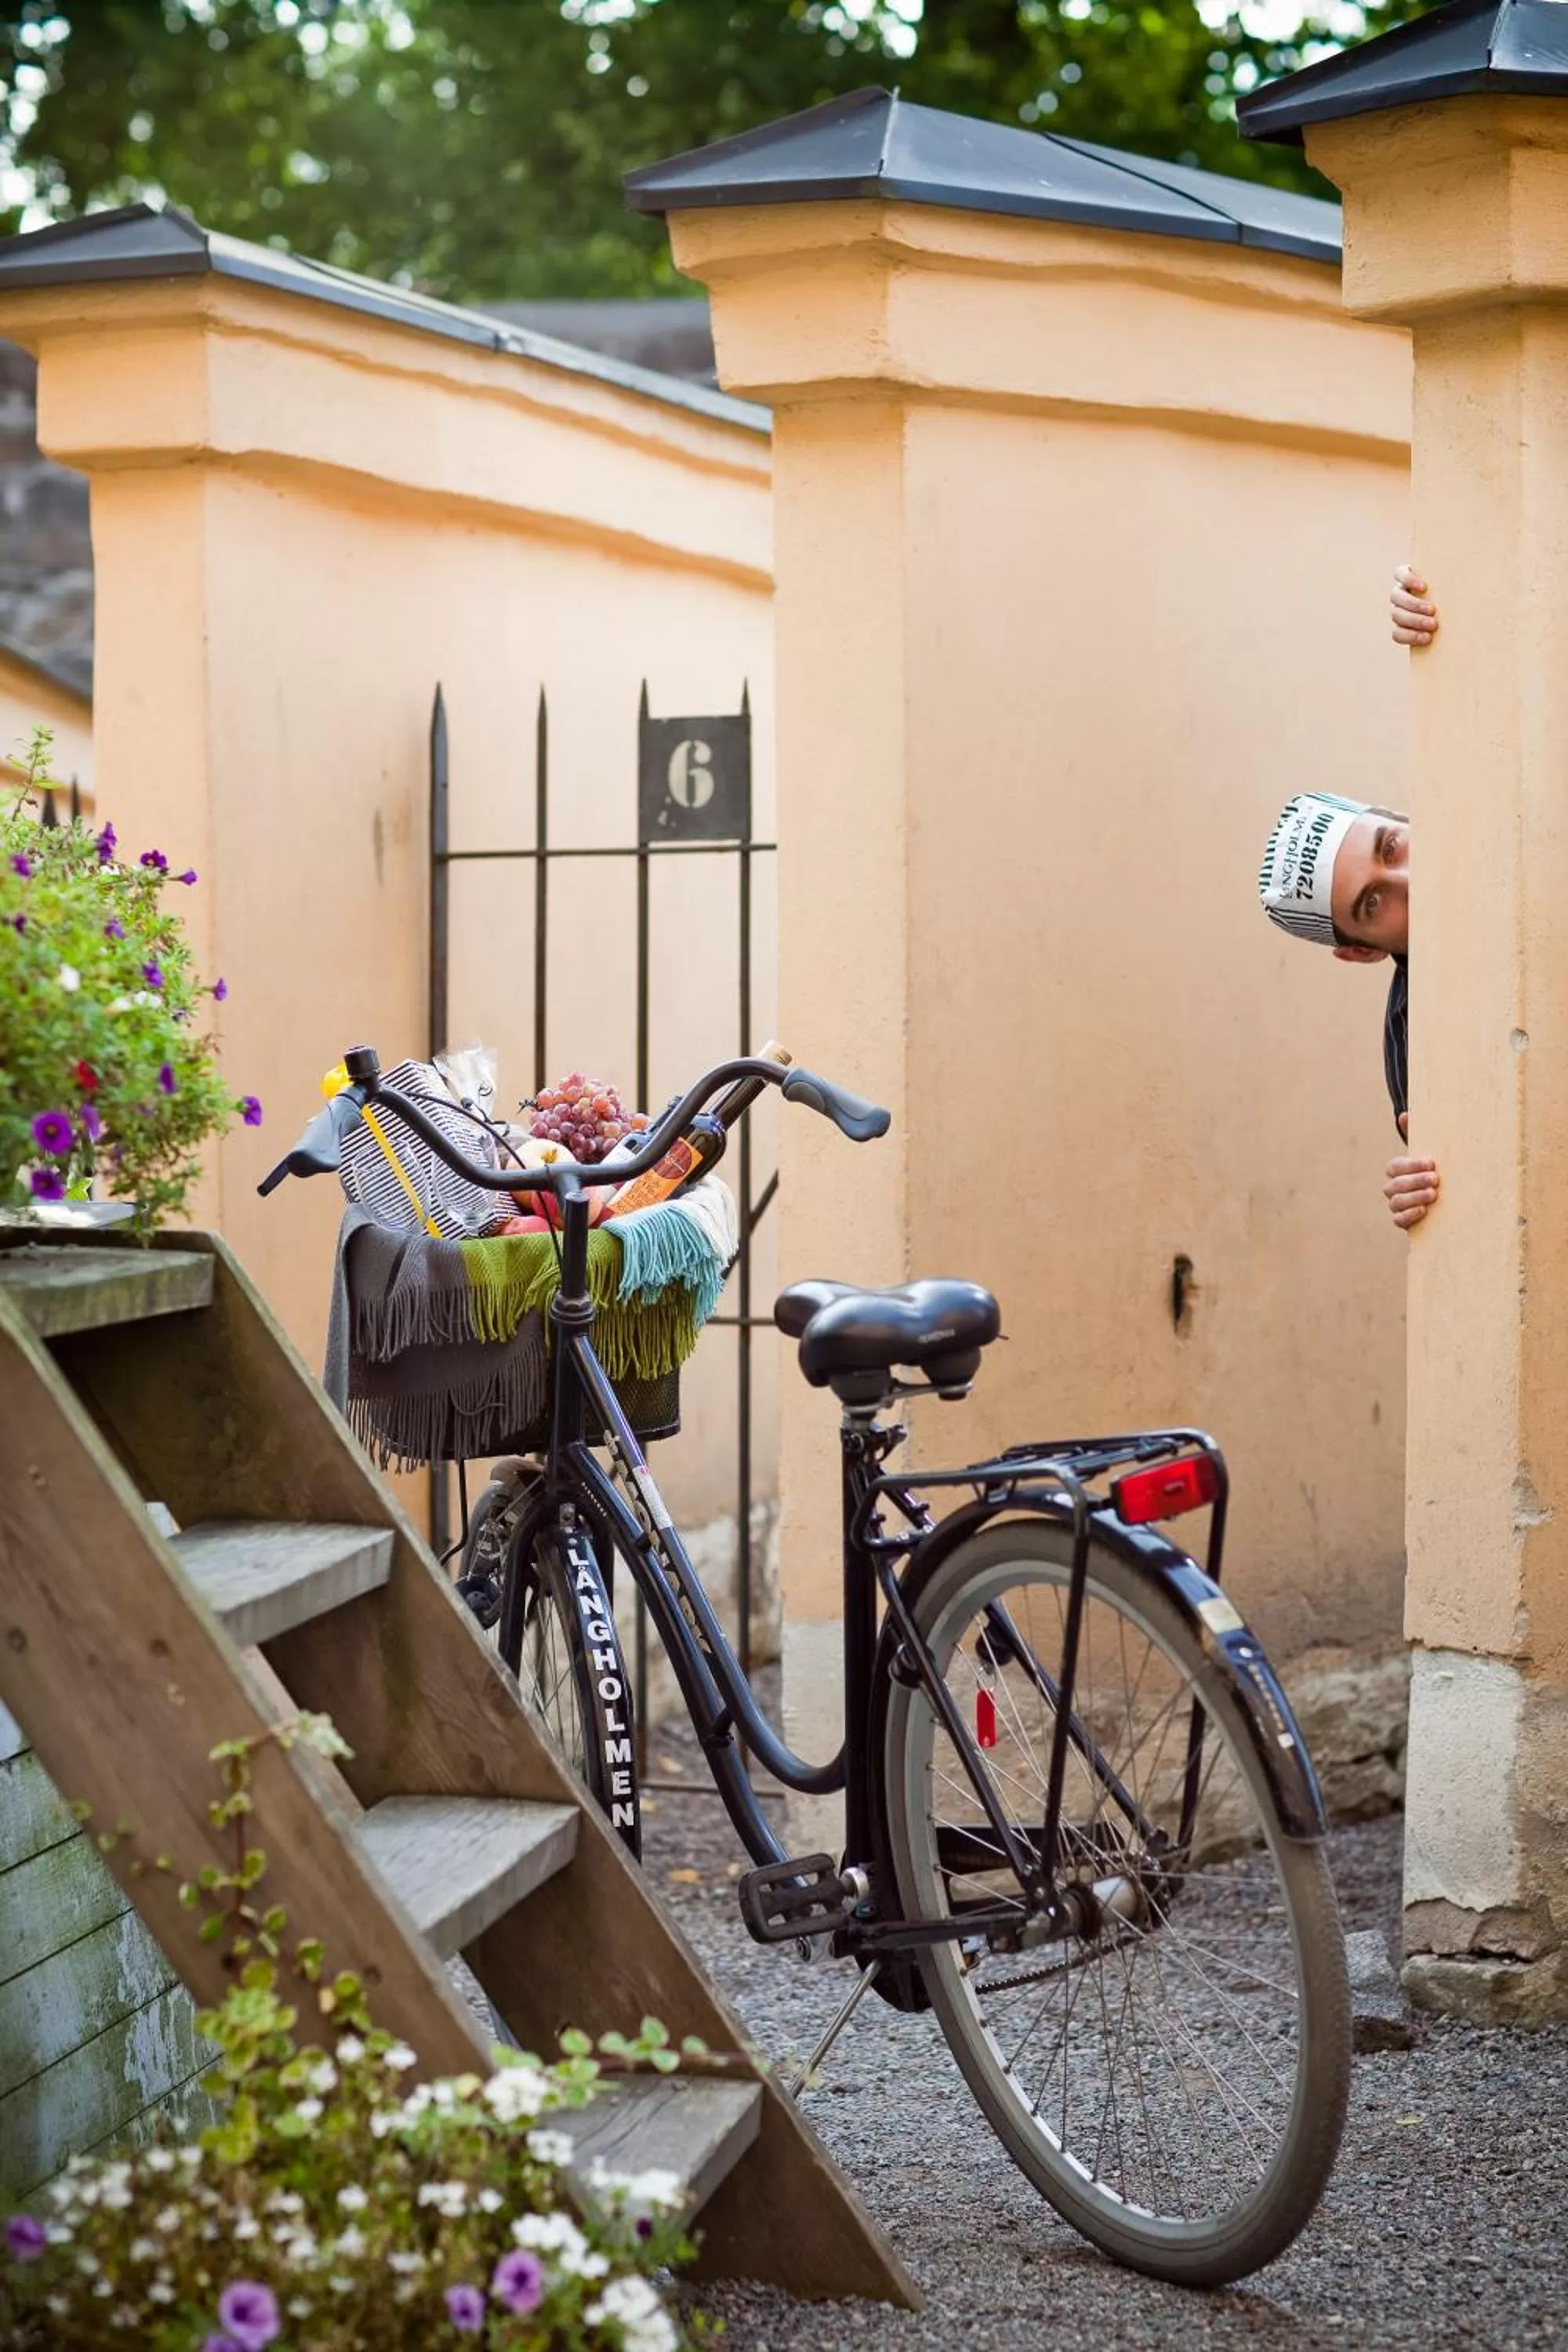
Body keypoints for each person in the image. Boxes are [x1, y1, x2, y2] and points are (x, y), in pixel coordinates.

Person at [1254, 565, 1439, 1230]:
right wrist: (1426, 1192)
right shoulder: (1418, 1038)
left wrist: (1442, 618)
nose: (1411, 882)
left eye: (1392, 848)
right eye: (1372, 902)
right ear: (1360, 953)